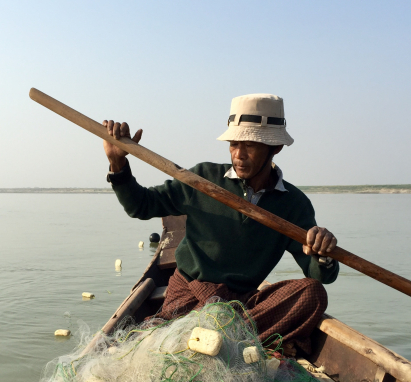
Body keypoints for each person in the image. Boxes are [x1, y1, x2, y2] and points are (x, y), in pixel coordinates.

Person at [103, 93, 339, 355]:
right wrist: (118, 163)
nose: (239, 154)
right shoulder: (204, 178)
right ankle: (228, 339)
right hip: (189, 295)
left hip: (242, 304)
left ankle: (219, 338)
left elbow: (319, 275)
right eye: (233, 144)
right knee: (204, 324)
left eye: (249, 145)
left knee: (312, 293)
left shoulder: (294, 204)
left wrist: (322, 253)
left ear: (275, 148)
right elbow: (141, 205)